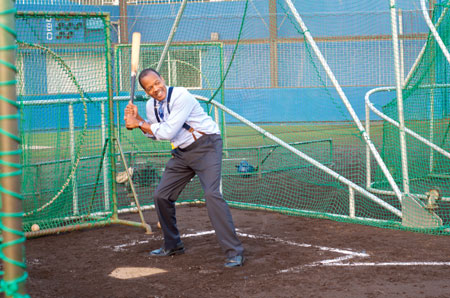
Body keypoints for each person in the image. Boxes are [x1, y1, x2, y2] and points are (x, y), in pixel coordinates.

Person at [124, 68, 244, 268]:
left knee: (212, 195)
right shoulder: (149, 105)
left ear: (163, 79)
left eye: (156, 83)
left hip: (206, 145)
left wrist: (139, 124)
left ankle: (234, 252)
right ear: (146, 91)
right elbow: (156, 134)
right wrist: (139, 122)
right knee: (161, 196)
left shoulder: (181, 95)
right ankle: (173, 245)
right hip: (182, 152)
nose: (156, 89)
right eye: (150, 88)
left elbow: (168, 130)